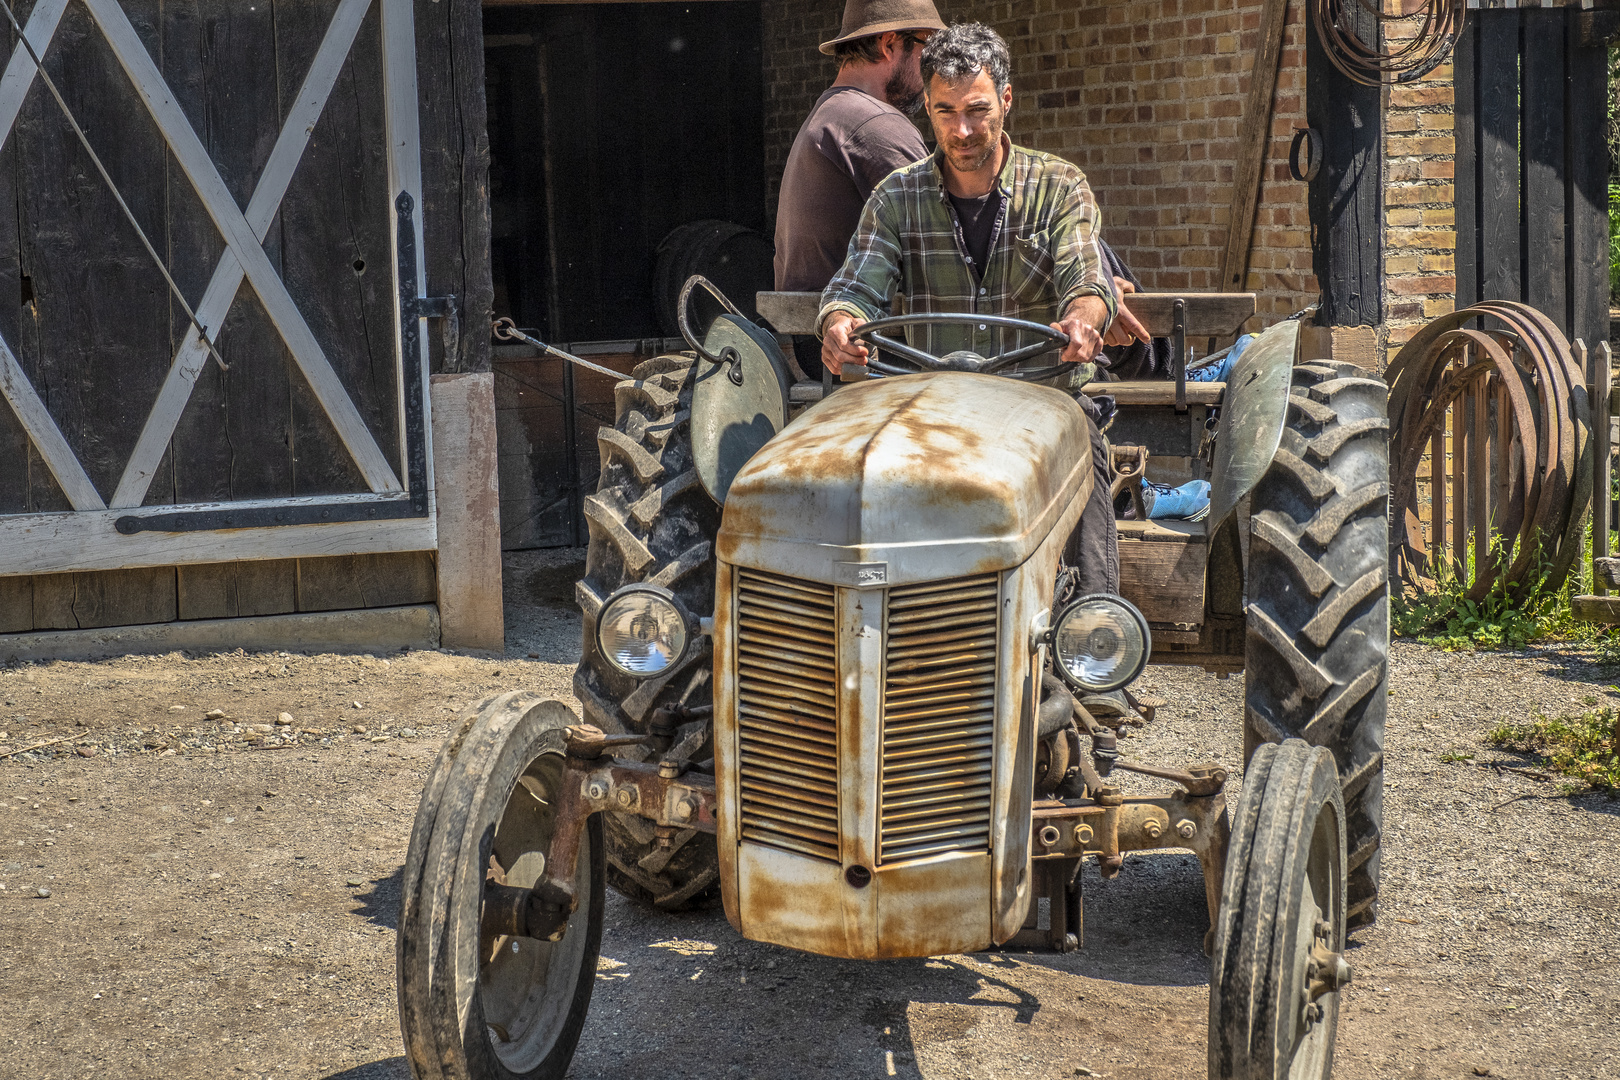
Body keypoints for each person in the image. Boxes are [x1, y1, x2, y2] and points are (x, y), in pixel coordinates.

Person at [817, 22, 1126, 600]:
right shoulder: (896, 198)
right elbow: (856, 285)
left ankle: (1095, 636)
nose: (961, 129)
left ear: (1006, 100)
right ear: (927, 109)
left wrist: (1084, 317)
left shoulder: (1059, 187)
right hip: (931, 404)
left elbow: (1086, 275)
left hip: (1040, 396)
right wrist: (839, 323)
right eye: (945, 111)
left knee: (1080, 438)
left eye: (977, 110)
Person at [772, 0, 946, 379]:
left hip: (826, 341)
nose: (935, 71)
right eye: (928, 50)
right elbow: (951, 233)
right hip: (867, 345)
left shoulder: (832, 112)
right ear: (888, 45)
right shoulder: (874, 123)